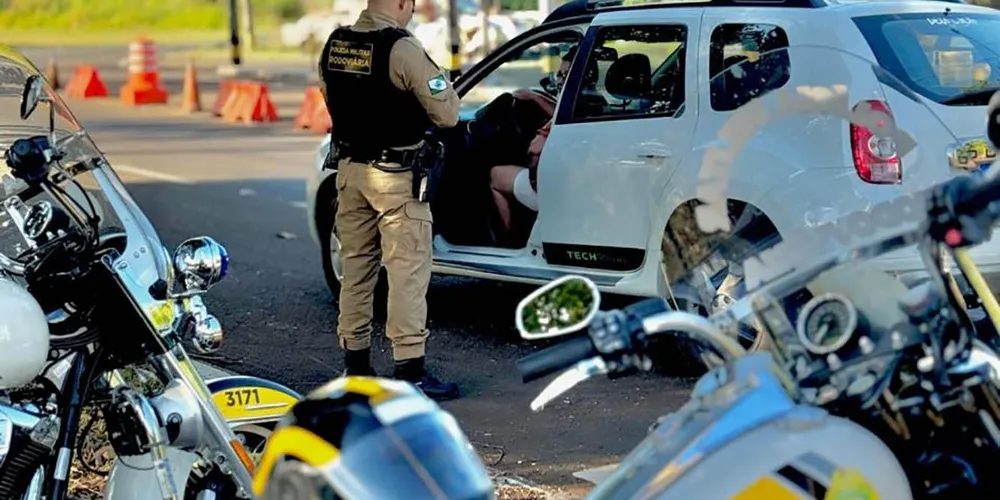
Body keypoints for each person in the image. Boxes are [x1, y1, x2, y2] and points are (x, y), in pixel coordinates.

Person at [318, 0, 461, 401]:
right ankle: (410, 369)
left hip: (350, 173)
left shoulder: (336, 44)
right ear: (402, 3)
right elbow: (447, 113)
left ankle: (356, 365)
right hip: (394, 179)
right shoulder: (402, 49)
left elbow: (331, 98)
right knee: (406, 271)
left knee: (356, 268)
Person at [489, 46, 576, 239]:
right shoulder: (587, 100)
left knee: (495, 176)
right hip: (568, 182)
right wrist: (536, 98)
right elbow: (559, 111)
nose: (560, 79)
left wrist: (534, 98)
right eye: (558, 74)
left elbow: (535, 149)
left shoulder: (573, 108)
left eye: (565, 74)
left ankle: (508, 239)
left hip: (549, 188)